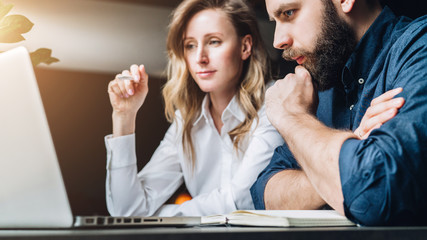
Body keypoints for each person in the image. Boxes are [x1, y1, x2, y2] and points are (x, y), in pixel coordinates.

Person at [251, 0, 427, 226]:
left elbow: (376, 194)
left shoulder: (418, 50)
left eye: (289, 13)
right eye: (275, 21)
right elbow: (265, 194)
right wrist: (350, 161)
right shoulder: (323, 76)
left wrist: (292, 118)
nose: (277, 41)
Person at [104, 0, 285, 217]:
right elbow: (127, 210)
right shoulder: (186, 122)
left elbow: (242, 200)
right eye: (190, 45)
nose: (200, 58)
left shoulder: (274, 102)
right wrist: (124, 116)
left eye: (214, 42)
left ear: (245, 47)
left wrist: (164, 215)